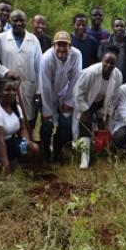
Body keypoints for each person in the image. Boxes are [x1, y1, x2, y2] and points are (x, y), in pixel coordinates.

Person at [73, 47, 123, 168]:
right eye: (106, 61)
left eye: (112, 63)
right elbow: (77, 92)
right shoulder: (90, 72)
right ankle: (84, 160)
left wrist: (107, 114)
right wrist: (84, 110)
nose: (109, 65)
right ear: (102, 60)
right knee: (85, 125)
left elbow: (114, 98)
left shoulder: (118, 75)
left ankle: (99, 153)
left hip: (102, 104)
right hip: (85, 102)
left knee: (102, 127)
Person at [0, 10, 42, 129]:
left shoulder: (33, 40)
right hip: (7, 87)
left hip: (28, 86)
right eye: (15, 20)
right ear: (10, 21)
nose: (18, 23)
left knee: (28, 119)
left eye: (21, 21)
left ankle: (26, 144)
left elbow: (39, 67)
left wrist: (39, 91)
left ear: (26, 22)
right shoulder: (1, 39)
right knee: (8, 119)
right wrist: (6, 72)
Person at [38, 31, 82, 163]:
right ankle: (46, 153)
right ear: (53, 45)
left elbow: (76, 79)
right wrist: (47, 111)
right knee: (47, 125)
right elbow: (44, 85)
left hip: (64, 92)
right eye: (59, 45)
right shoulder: (46, 58)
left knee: (66, 125)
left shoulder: (76, 55)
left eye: (65, 45)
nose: (62, 48)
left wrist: (69, 101)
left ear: (70, 46)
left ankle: (58, 152)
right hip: (48, 93)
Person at [99, 17, 126, 82]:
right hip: (107, 79)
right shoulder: (104, 44)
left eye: (122, 26)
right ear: (112, 28)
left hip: (125, 81)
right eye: (117, 26)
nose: (119, 28)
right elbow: (99, 62)